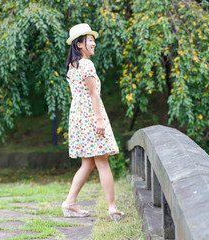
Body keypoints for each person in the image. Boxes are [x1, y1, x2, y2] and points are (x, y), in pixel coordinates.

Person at [62, 23, 125, 221]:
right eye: (90, 40)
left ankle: (69, 203)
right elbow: (93, 94)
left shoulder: (72, 66)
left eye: (93, 40)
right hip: (90, 116)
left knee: (88, 164)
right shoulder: (86, 64)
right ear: (79, 44)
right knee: (102, 162)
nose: (94, 43)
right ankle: (112, 208)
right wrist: (99, 120)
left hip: (79, 117)